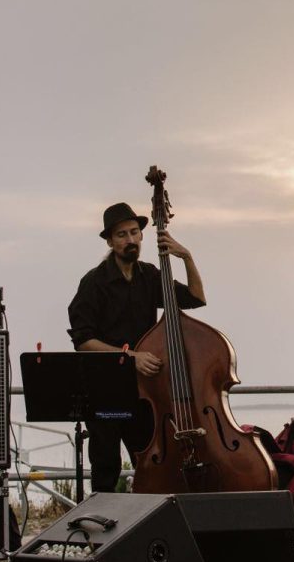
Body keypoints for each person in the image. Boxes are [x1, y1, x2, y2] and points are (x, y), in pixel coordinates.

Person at [67, 201, 205, 493]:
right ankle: (100, 536)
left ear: (142, 236)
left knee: (148, 462)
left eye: (133, 233)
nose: (129, 240)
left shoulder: (150, 276)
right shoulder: (94, 282)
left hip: (145, 390)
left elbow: (195, 297)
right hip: (105, 389)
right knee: (106, 467)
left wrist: (186, 256)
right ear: (110, 241)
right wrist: (130, 357)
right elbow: (83, 341)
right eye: (121, 235)